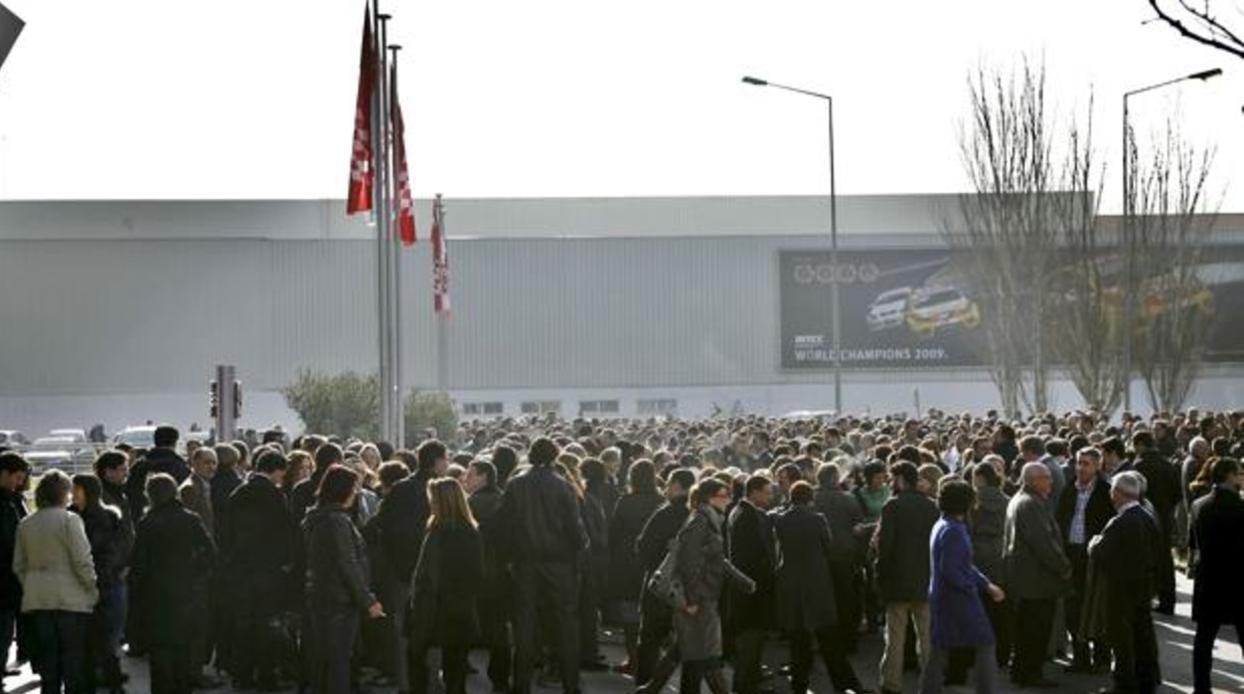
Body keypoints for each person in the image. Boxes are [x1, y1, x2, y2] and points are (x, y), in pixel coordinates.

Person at [493, 438, 587, 694]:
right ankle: (571, 685)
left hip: (525, 564)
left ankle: (521, 686)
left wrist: (509, 557)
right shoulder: (563, 486)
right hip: (559, 566)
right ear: (555, 457)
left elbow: (503, 524)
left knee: (524, 629)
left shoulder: (516, 484)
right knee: (566, 629)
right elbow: (576, 531)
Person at [775, 481, 870, 694]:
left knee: (798, 641)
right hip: (817, 583)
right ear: (811, 498)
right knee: (829, 639)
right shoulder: (817, 519)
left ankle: (798, 686)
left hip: (791, 585)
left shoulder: (780, 520)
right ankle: (845, 684)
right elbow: (828, 546)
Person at [13, 469, 99, 694]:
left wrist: (31, 585)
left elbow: (18, 565)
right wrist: (91, 588)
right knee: (73, 660)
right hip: (71, 599)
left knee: (48, 662)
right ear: (64, 494)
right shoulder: (70, 520)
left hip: (37, 599)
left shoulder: (26, 523)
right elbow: (82, 560)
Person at [301, 465, 385, 694]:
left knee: (324, 659)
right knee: (339, 661)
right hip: (340, 599)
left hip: (321, 595)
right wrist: (368, 601)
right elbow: (347, 563)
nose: (356, 492)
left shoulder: (315, 517)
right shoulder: (337, 520)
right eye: (354, 488)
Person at [374, 439, 447, 694]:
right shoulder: (441, 490)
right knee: (434, 629)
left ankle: (407, 685)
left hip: (402, 572)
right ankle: (434, 683)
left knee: (403, 632)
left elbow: (382, 526)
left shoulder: (400, 489)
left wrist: (397, 562)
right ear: (437, 461)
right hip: (433, 573)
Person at [130, 473, 215, 694]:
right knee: (184, 648)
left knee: (160, 652)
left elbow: (138, 564)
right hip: (187, 591)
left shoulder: (146, 523)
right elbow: (210, 553)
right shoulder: (190, 518)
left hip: (155, 595)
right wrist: (197, 575)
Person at [919, 479, 1005, 694]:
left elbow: (959, 566)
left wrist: (986, 585)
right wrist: (974, 588)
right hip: (958, 599)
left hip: (943, 597)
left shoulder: (944, 525)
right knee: (985, 643)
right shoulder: (954, 531)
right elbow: (954, 570)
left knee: (939, 650)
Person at [221, 449, 297, 690]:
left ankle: (241, 674)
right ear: (276, 470)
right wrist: (286, 563)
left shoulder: (238, 493)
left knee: (244, 624)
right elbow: (283, 533)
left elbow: (227, 533)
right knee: (266, 625)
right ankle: (267, 675)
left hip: (241, 570)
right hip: (268, 572)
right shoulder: (274, 496)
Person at [406, 478, 485, 694]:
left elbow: (426, 573)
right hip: (461, 605)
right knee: (456, 666)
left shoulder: (437, 532)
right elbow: (477, 573)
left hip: (434, 605)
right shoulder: (471, 531)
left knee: (418, 657)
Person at [1088, 472, 1162, 694]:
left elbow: (1102, 552)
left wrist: (1093, 544)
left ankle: (1124, 684)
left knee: (1121, 638)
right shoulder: (1147, 517)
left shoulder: (1119, 522)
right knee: (1142, 634)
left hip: (1120, 589)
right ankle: (1147, 680)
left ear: (1118, 494)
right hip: (1142, 585)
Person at [1003, 462, 1070, 688]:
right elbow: (1043, 544)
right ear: (1033, 480)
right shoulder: (1030, 504)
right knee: (1035, 630)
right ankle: (1030, 673)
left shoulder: (1021, 500)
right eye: (1046, 477)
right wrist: (1063, 567)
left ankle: (1022, 671)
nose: (1051, 482)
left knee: (1026, 629)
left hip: (1027, 578)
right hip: (1036, 580)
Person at [875, 461, 939, 694]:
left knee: (895, 636)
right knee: (927, 635)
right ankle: (931, 681)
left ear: (900, 479)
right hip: (925, 579)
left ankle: (891, 683)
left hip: (898, 580)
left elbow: (886, 546)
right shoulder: (931, 506)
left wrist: (880, 574)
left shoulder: (893, 506)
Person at [634, 467, 696, 692]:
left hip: (660, 583)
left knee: (650, 637)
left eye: (669, 484)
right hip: (690, 588)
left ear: (678, 485)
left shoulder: (665, 513)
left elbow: (642, 546)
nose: (665, 489)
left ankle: (645, 683)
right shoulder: (699, 515)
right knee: (686, 643)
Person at [1053, 446, 1113, 673]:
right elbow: (1059, 520)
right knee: (1073, 608)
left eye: (1086, 463)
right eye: (1078, 462)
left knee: (1097, 608)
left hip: (1095, 557)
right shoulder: (1069, 490)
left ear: (1098, 466)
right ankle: (1080, 656)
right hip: (1071, 555)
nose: (1080, 468)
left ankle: (1102, 658)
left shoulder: (1106, 492)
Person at [672, 477, 734, 694]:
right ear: (710, 498)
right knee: (704, 656)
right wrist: (692, 598)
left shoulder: (710, 518)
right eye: (724, 496)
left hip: (705, 594)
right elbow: (688, 562)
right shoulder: (701, 520)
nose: (728, 500)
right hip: (700, 597)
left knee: (695, 656)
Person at [1188, 456, 1244, 694]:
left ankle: (1201, 687)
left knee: (1204, 638)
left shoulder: (1199, 504)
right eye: (1240, 473)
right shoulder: (1240, 507)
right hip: (1237, 580)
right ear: (1230, 475)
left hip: (1208, 578)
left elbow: (1193, 542)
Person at [69, 475, 130, 693]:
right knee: (87, 642)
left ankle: (112, 683)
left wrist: (102, 578)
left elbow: (116, 551)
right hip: (84, 586)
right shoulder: (70, 515)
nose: (73, 493)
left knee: (105, 641)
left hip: (104, 585)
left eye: (77, 489)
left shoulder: (108, 516)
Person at [606, 459, 664, 674]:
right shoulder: (660, 501)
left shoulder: (626, 501)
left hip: (627, 563)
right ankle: (651, 660)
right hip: (653, 563)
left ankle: (634, 659)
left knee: (630, 615)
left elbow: (613, 533)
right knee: (652, 615)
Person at [725, 474, 776, 694]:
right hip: (752, 587)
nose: (770, 496)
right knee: (751, 640)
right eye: (767, 492)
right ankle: (745, 686)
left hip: (745, 586)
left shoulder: (740, 512)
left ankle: (750, 683)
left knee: (752, 640)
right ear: (754, 492)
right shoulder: (749, 516)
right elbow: (756, 555)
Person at [465, 460, 512, 692]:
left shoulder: (473, 503)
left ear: (484, 476)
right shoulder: (505, 500)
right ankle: (501, 679)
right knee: (499, 630)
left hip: (478, 572)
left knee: (468, 623)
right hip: (502, 573)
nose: (466, 478)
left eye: (471, 474)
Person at [814, 462, 867, 654]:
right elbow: (859, 528)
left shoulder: (813, 499)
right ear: (836, 479)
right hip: (845, 557)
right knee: (847, 600)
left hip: (820, 558)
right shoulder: (848, 499)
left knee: (825, 602)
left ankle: (828, 643)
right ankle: (848, 641)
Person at [1131, 432, 1179, 614]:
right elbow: (1177, 493)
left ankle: (1147, 599)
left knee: (1146, 559)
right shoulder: (1168, 464)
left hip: (1144, 516)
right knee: (1166, 560)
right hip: (1165, 516)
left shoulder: (1139, 466)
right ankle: (1168, 600)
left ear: (1140, 445)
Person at [968, 462, 1010, 669]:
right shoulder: (1006, 500)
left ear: (980, 478)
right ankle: (1002, 653)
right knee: (1000, 608)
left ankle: (979, 654)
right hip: (1000, 553)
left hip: (977, 555)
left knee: (978, 607)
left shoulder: (973, 501)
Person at [0, 453, 28, 689]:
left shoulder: (13, 499)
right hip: (4, 575)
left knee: (6, 628)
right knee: (3, 628)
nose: (20, 483)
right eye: (17, 478)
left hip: (9, 575)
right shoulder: (6, 503)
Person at [125, 425, 190, 520]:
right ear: (175, 442)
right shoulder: (180, 466)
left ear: (155, 441)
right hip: (174, 520)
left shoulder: (139, 465)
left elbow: (130, 492)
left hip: (143, 519)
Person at [178, 447, 218, 542]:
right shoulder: (190, 488)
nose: (211, 467)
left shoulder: (206, 484)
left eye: (214, 463)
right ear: (195, 464)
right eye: (207, 463)